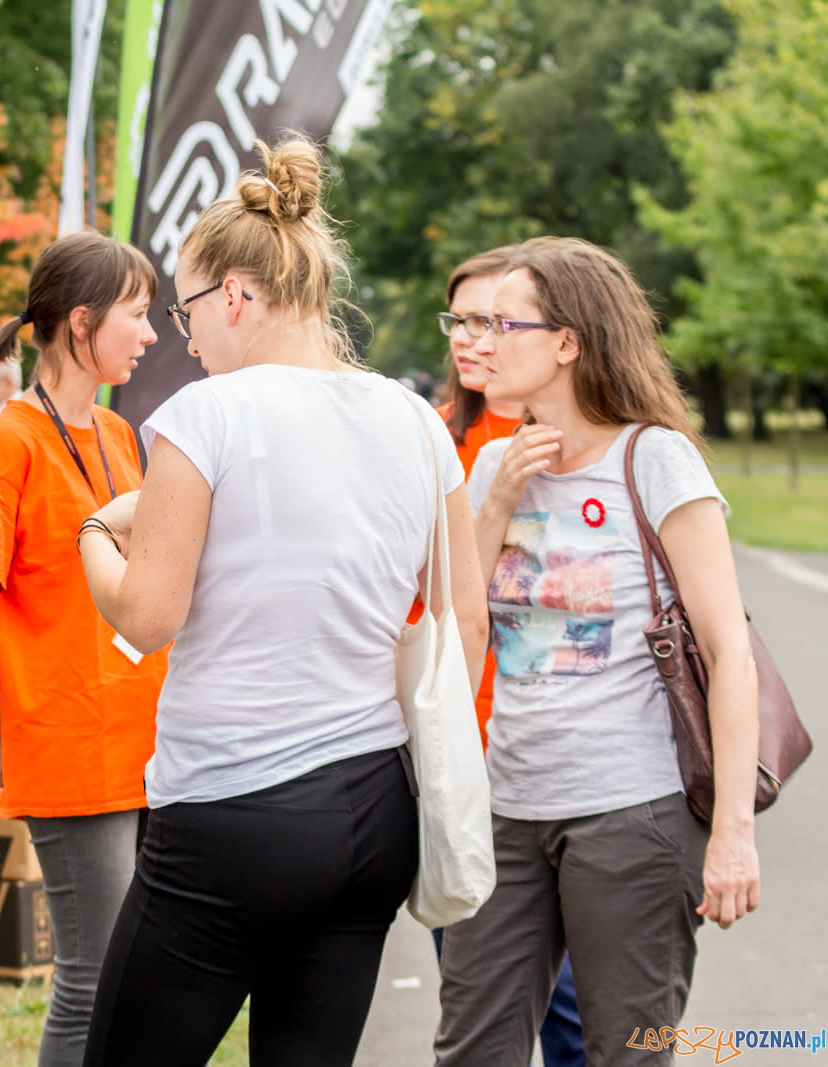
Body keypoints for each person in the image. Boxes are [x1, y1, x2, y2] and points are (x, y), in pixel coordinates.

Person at [74, 135, 487, 1065]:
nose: (185, 338)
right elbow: (466, 616)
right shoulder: (415, 419)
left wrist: (94, 537)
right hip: (375, 804)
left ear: (234, 295)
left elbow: (147, 615)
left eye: (185, 312)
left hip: (232, 809)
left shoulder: (204, 415)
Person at [435, 236, 760, 1066]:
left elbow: (728, 651)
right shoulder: (500, 463)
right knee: (472, 1048)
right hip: (509, 804)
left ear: (568, 342)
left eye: (505, 323)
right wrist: (497, 499)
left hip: (632, 811)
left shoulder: (654, 459)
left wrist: (731, 834)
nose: (480, 340)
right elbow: (464, 621)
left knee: (626, 1051)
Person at [0, 231, 167, 1067]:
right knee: (91, 977)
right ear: (82, 323)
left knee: (134, 975)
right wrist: (16, 738)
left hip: (139, 744)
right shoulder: (6, 448)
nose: (150, 334)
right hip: (70, 754)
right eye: (137, 315)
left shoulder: (116, 432)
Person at [435, 247, 585, 1067]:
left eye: (491, 320)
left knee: (572, 1007)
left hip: (547, 753)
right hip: (465, 751)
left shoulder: (570, 438)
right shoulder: (439, 439)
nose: (471, 338)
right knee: (477, 994)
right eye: (459, 319)